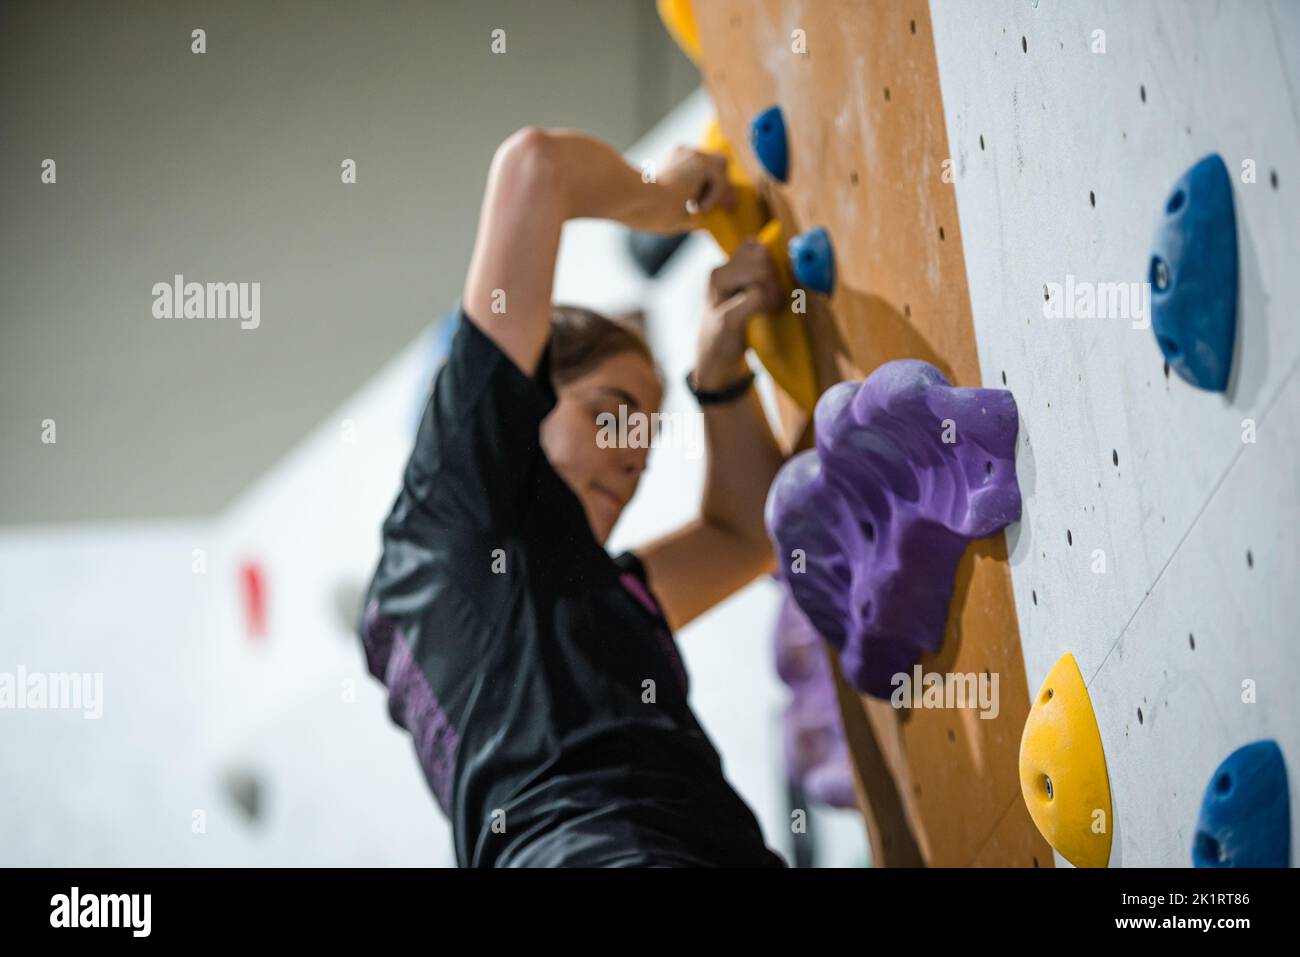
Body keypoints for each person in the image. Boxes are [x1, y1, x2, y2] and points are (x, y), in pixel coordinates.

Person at [360, 126, 790, 867]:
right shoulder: (454, 508)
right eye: (610, 412)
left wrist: (719, 374)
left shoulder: (580, 593)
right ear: (524, 403)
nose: (635, 458)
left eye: (649, 435)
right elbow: (536, 167)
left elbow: (745, 538)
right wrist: (664, 197)